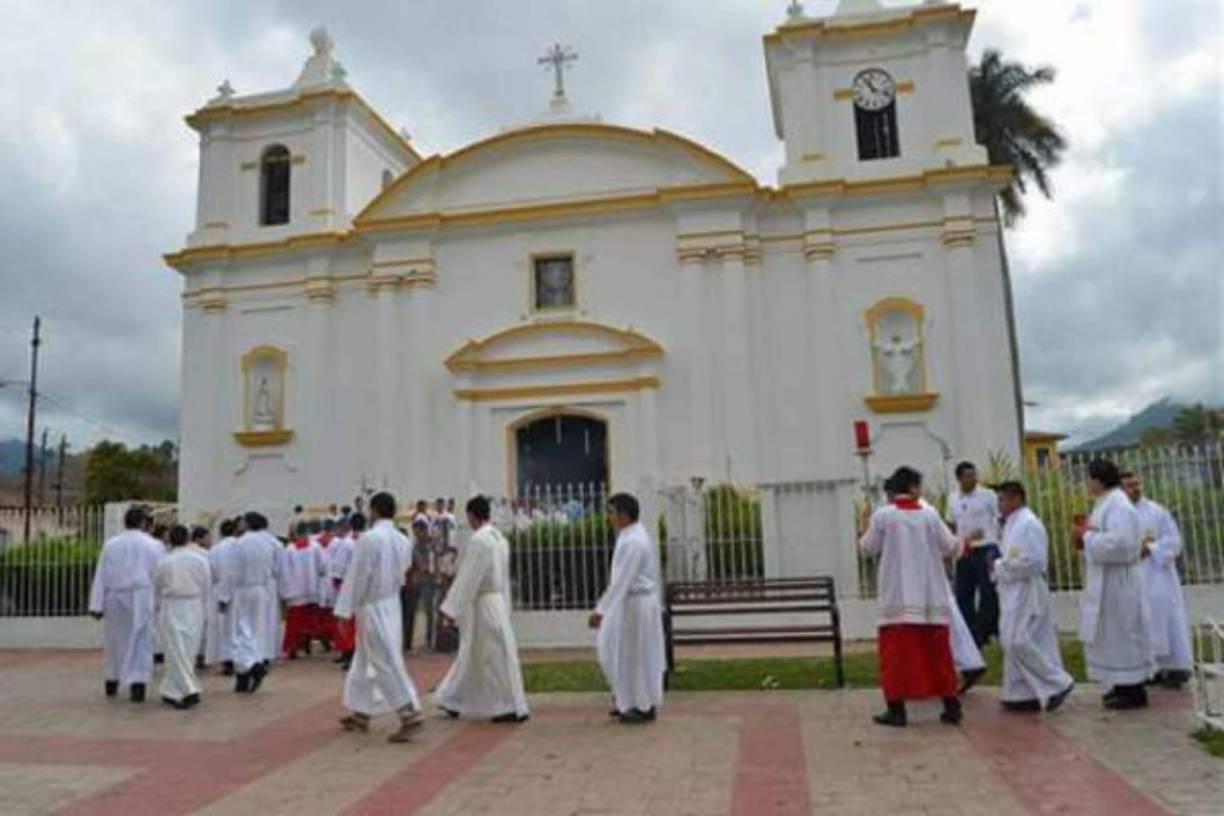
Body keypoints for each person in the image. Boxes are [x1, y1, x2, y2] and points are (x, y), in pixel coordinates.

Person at [859, 466, 963, 727]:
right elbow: (951, 547)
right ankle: (951, 705)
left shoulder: (883, 517)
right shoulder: (930, 516)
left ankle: (896, 709)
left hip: (897, 596)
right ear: (914, 488)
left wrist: (864, 524)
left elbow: (867, 548)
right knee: (938, 655)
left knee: (896, 658)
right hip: (930, 596)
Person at [334, 492, 424, 743]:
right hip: (390, 602)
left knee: (385, 661)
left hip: (372, 605)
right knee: (364, 660)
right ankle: (361, 711)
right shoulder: (402, 539)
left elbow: (357, 577)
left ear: (373, 510)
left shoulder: (369, 539)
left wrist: (345, 611)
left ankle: (409, 712)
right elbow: (403, 571)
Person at [435, 496, 530, 723]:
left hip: (482, 604)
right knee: (477, 654)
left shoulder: (480, 540)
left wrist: (450, 609)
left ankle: (504, 705)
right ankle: (452, 698)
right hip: (495, 601)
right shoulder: (500, 539)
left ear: (471, 516)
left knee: (490, 656)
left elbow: (469, 578)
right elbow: (502, 578)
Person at [1073, 459, 1153, 710]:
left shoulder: (1119, 505)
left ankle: (1133, 689)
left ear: (1098, 479)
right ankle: (1120, 684)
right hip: (1107, 581)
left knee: (1124, 633)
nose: (1086, 484)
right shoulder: (1105, 502)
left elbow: (1122, 544)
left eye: (1088, 478)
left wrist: (1086, 536)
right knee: (1111, 635)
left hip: (1120, 582)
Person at [993, 482, 1075, 712]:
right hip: (1012, 589)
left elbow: (1034, 561)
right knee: (1020, 639)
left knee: (1017, 639)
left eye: (1003, 500)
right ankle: (1021, 692)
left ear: (1016, 499)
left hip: (1026, 590)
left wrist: (1000, 566)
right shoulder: (1011, 524)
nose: (1000, 505)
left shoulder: (1029, 524)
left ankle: (1058, 682)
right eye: (999, 500)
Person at [589, 493, 665, 725]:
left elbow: (622, 580)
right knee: (623, 654)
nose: (609, 517)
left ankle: (642, 705)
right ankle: (628, 700)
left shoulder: (634, 541)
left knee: (638, 655)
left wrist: (601, 610)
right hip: (630, 603)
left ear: (623, 514)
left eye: (611, 512)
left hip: (637, 604)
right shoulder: (629, 535)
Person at [1122, 471, 1193, 689]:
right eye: (1129, 486)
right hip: (1131, 577)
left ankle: (1173, 668)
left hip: (1158, 575)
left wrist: (1151, 548)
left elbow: (1174, 541)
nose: (1135, 489)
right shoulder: (1117, 514)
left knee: (1166, 619)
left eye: (1137, 484)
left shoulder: (1156, 511)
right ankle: (1146, 670)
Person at [88, 505, 165, 703]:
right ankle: (137, 684)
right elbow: (160, 574)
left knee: (115, 640)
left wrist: (96, 604)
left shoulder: (111, 544)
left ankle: (112, 679)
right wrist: (160, 599)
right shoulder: (154, 545)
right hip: (142, 596)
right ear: (143, 523)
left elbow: (101, 575)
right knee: (141, 641)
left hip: (115, 596)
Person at [217, 512, 277, 693]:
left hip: (243, 591)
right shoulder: (269, 544)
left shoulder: (240, 543)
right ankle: (246, 674)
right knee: (256, 632)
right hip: (261, 589)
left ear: (248, 523)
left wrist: (224, 596)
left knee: (241, 632)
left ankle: (251, 668)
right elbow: (274, 568)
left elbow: (231, 572)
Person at [155, 525, 211, 709]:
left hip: (172, 605)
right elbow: (206, 585)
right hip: (194, 605)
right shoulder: (200, 560)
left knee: (175, 650)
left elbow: (157, 587)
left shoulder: (164, 562)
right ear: (188, 538)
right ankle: (172, 689)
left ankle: (188, 689)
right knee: (187, 650)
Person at [947, 462, 1001, 646]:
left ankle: (986, 629)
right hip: (964, 549)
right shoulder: (953, 498)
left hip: (986, 547)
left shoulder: (987, 495)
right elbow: (951, 523)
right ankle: (970, 633)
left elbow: (999, 517)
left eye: (974, 475)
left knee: (988, 591)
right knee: (963, 593)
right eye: (967, 476)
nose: (972, 479)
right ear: (959, 479)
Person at [280, 522, 326, 659]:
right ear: (307, 532)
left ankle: (292, 648)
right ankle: (308, 645)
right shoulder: (315, 547)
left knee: (295, 623)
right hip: (312, 590)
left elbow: (285, 571)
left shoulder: (289, 549)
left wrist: (286, 591)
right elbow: (323, 566)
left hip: (296, 592)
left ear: (295, 534)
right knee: (311, 620)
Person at [205, 519, 238, 675]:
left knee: (223, 628)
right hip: (239, 591)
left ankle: (227, 660)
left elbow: (211, 571)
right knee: (238, 627)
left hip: (219, 590)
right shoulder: (241, 547)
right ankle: (239, 658)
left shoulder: (215, 550)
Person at [330, 515, 360, 670]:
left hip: (348, 586)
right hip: (362, 587)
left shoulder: (347, 543)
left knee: (348, 622)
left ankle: (349, 653)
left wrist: (337, 585)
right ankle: (350, 652)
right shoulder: (366, 541)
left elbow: (338, 568)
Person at [401, 519, 436, 652]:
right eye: (414, 533)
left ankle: (430, 640)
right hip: (417, 582)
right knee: (413, 612)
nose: (416, 535)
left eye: (418, 532)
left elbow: (433, 562)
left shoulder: (432, 545)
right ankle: (409, 642)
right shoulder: (414, 546)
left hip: (430, 581)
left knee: (430, 611)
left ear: (424, 530)